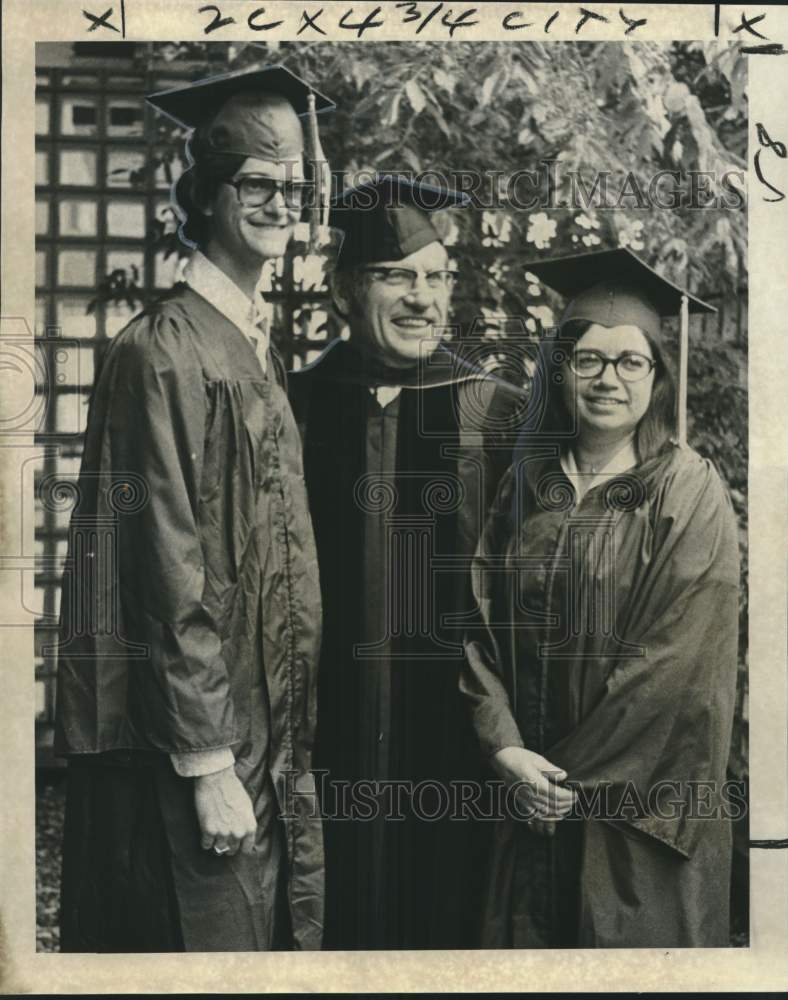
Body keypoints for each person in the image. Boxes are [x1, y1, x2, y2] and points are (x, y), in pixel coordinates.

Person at [55, 65, 334, 952]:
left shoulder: (251, 344)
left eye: (292, 186)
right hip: (195, 740)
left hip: (258, 720)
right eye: (257, 184)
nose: (280, 202)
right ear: (207, 195)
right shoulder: (166, 354)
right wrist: (209, 762)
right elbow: (165, 566)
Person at [461, 247, 741, 948]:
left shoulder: (687, 491)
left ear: (657, 374)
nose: (607, 380)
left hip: (630, 821)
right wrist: (504, 751)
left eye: (629, 362)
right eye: (587, 360)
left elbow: (676, 677)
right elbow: (477, 625)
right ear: (560, 372)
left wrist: (559, 782)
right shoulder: (526, 485)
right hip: (529, 801)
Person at [288, 175, 527, 949]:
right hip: (323, 736)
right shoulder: (294, 406)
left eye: (436, 277)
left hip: (457, 741)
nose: (422, 296)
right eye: (397, 275)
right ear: (345, 289)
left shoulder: (495, 413)